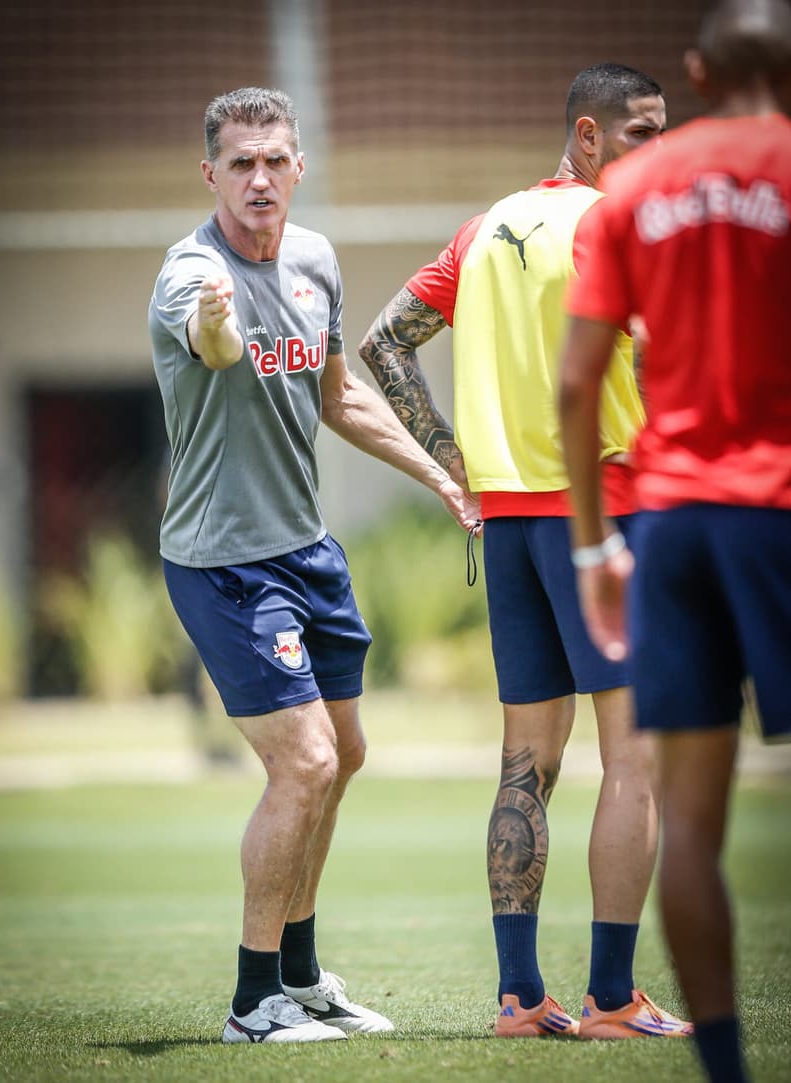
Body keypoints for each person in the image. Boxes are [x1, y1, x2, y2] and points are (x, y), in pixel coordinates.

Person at [359, 63, 692, 1040]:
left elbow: (384, 343)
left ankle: (518, 997)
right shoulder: (620, 226)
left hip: (507, 526)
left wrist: (451, 456)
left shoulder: (484, 230)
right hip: (606, 514)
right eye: (641, 133)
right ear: (587, 134)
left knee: (525, 764)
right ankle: (612, 998)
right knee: (634, 757)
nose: (657, 152)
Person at [148, 86, 480, 1045]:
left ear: (298, 167)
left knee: (346, 754)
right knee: (305, 762)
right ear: (210, 173)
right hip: (225, 563)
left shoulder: (315, 260)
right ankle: (253, 1002)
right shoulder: (189, 274)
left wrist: (441, 474)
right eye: (240, 163)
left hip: (307, 549)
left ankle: (299, 976)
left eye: (274, 160)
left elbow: (340, 396)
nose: (259, 178)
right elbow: (214, 346)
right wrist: (219, 319)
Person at [558, 4, 791, 1080]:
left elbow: (577, 386)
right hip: (778, 512)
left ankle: (728, 1071)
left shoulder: (634, 191)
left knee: (689, 824)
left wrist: (595, 551)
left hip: (676, 523)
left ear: (696, 74)